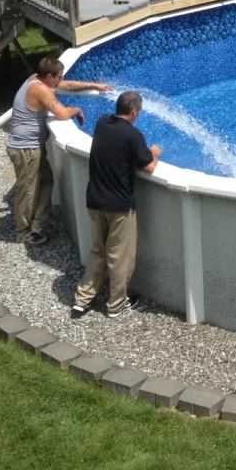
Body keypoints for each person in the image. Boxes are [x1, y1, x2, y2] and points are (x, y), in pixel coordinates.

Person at [72, 91, 161, 319]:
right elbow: (149, 167)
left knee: (98, 251)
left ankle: (82, 300)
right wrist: (155, 153)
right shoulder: (133, 135)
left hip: (95, 200)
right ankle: (116, 304)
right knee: (119, 257)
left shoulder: (102, 123)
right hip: (119, 206)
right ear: (134, 112)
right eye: (138, 112)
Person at [6, 57, 110, 246]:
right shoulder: (40, 89)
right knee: (28, 190)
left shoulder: (36, 79)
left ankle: (38, 226)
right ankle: (22, 232)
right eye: (58, 77)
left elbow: (68, 85)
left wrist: (95, 85)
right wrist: (76, 109)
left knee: (46, 182)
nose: (60, 81)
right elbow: (62, 114)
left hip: (31, 146)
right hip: (25, 149)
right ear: (49, 76)